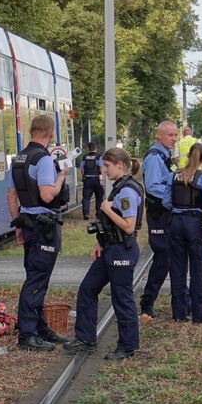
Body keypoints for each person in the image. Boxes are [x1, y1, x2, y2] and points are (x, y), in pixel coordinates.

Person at [64, 148, 143, 360]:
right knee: (87, 288)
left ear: (120, 165)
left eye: (107, 166)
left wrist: (107, 210)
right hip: (110, 248)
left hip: (122, 250)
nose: (104, 170)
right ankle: (85, 338)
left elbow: (128, 226)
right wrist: (102, 242)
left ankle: (127, 346)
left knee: (122, 297)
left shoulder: (126, 191)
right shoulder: (118, 187)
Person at [7, 114, 71, 352]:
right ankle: (28, 335)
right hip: (44, 225)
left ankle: (40, 327)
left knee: (36, 276)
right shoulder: (43, 160)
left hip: (28, 221)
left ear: (31, 131)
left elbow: (11, 196)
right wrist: (61, 176)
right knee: (37, 279)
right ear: (51, 134)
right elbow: (47, 195)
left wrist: (18, 225)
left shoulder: (18, 159)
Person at [163, 143, 202, 323]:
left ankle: (179, 313)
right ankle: (199, 315)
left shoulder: (173, 176)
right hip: (195, 225)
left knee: (177, 269)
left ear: (188, 155)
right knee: (197, 271)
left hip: (175, 224)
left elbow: (166, 202)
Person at [138, 120, 179, 319]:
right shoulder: (154, 157)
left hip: (166, 213)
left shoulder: (165, 155)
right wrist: (176, 196)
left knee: (168, 257)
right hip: (158, 214)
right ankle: (147, 303)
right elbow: (153, 187)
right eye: (170, 135)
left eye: (175, 135)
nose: (174, 139)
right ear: (159, 135)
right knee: (163, 257)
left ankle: (166, 301)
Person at [80, 142, 103, 220]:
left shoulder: (84, 157)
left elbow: (82, 169)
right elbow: (101, 168)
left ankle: (86, 214)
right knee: (99, 198)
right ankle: (99, 214)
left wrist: (84, 176)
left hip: (87, 180)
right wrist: (102, 179)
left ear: (88, 148)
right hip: (97, 180)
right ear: (96, 148)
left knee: (86, 198)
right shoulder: (99, 157)